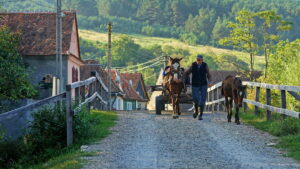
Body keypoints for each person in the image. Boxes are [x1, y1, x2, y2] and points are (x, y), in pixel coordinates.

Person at [185, 54, 212, 120]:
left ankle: (200, 115)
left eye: (199, 60)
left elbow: (208, 74)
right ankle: (196, 111)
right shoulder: (193, 65)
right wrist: (184, 79)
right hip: (195, 84)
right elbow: (187, 73)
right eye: (197, 59)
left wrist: (210, 82)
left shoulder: (205, 65)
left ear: (202, 60)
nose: (198, 61)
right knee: (195, 99)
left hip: (203, 84)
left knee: (202, 100)